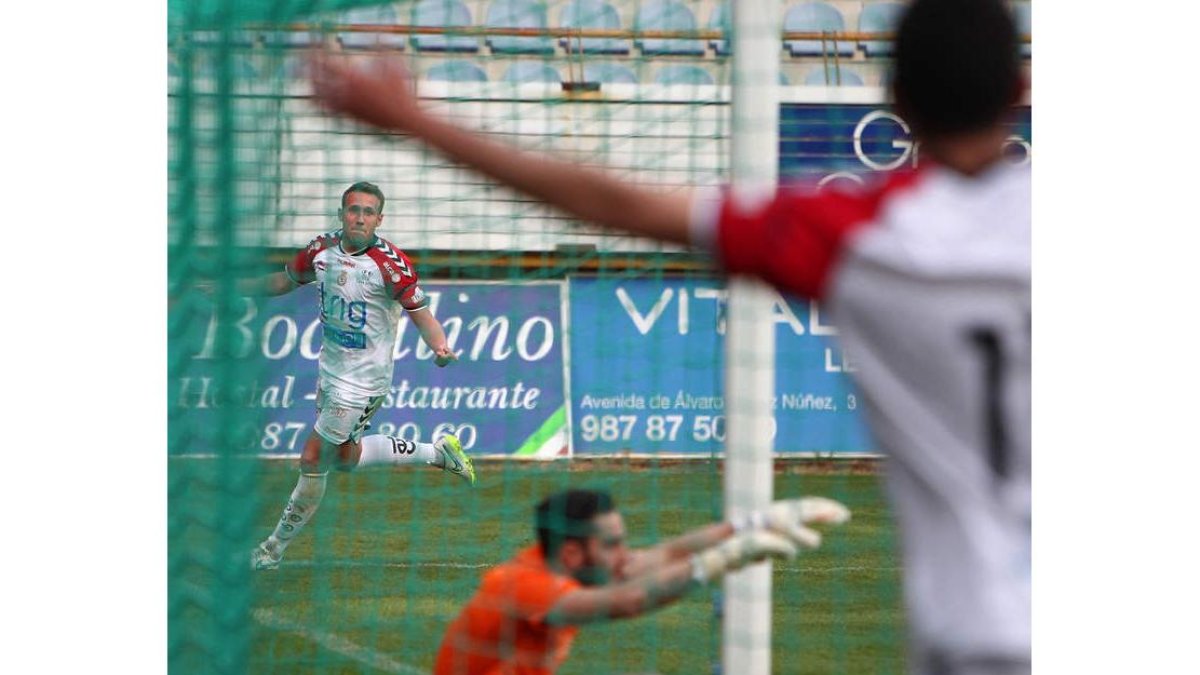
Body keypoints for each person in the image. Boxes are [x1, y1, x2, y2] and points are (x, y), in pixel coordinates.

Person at [307, 0, 1031, 671]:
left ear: (896, 102)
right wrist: (737, 531)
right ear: (1018, 89)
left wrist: (418, 120)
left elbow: (618, 203)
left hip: (972, 632)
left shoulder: (861, 234)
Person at [244, 181, 477, 571]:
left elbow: (421, 313)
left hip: (363, 382)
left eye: (369, 212)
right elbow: (285, 280)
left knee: (313, 458)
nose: (360, 217)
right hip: (330, 370)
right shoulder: (320, 250)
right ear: (342, 214)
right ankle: (439, 452)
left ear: (379, 219)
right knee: (347, 459)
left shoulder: (391, 265)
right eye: (354, 209)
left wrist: (440, 346)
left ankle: (270, 551)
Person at [433, 488, 850, 675]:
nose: (626, 555)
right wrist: (728, 559)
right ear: (573, 554)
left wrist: (751, 524)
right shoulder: (521, 584)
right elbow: (628, 601)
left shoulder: (573, 567)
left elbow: (666, 555)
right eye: (613, 544)